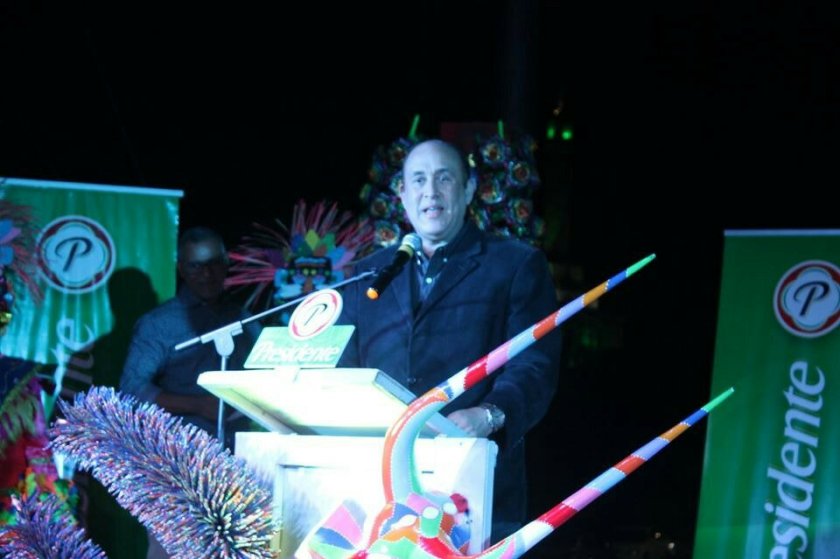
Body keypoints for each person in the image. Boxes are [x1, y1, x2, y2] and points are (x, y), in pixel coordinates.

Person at [337, 139, 562, 541]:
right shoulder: (369, 274)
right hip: (378, 482)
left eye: (444, 179)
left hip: (473, 478)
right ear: (402, 193)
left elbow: (534, 365)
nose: (431, 192)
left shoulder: (514, 264)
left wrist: (490, 414)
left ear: (469, 188)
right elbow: (344, 369)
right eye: (418, 180)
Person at [119, 226, 261, 559]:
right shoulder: (159, 324)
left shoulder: (245, 320)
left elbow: (265, 372)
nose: (206, 273)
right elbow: (131, 390)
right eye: (196, 266)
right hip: (177, 464)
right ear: (182, 269)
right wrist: (198, 405)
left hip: (237, 463)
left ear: (226, 264)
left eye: (213, 263)